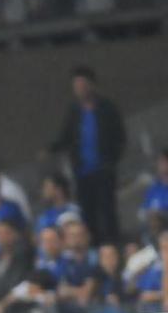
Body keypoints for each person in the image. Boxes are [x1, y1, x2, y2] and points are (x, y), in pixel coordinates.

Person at [48, 66, 126, 245]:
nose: (79, 89)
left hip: (103, 169)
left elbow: (119, 136)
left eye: (82, 84)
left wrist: (112, 160)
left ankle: (112, 244)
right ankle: (93, 244)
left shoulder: (107, 108)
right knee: (88, 212)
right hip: (83, 172)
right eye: (76, 86)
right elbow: (66, 136)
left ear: (91, 85)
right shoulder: (74, 111)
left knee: (107, 210)